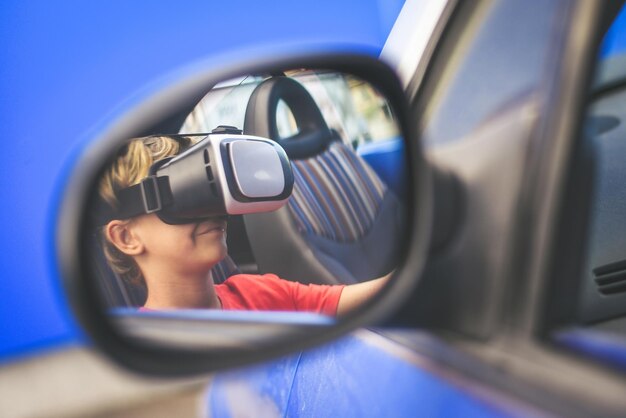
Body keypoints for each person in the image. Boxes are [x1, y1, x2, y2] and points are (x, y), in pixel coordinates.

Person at [98, 135, 390, 316]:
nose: (211, 208)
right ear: (126, 237)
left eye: (210, 188)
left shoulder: (253, 292)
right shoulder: (140, 339)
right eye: (183, 193)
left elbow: (338, 303)